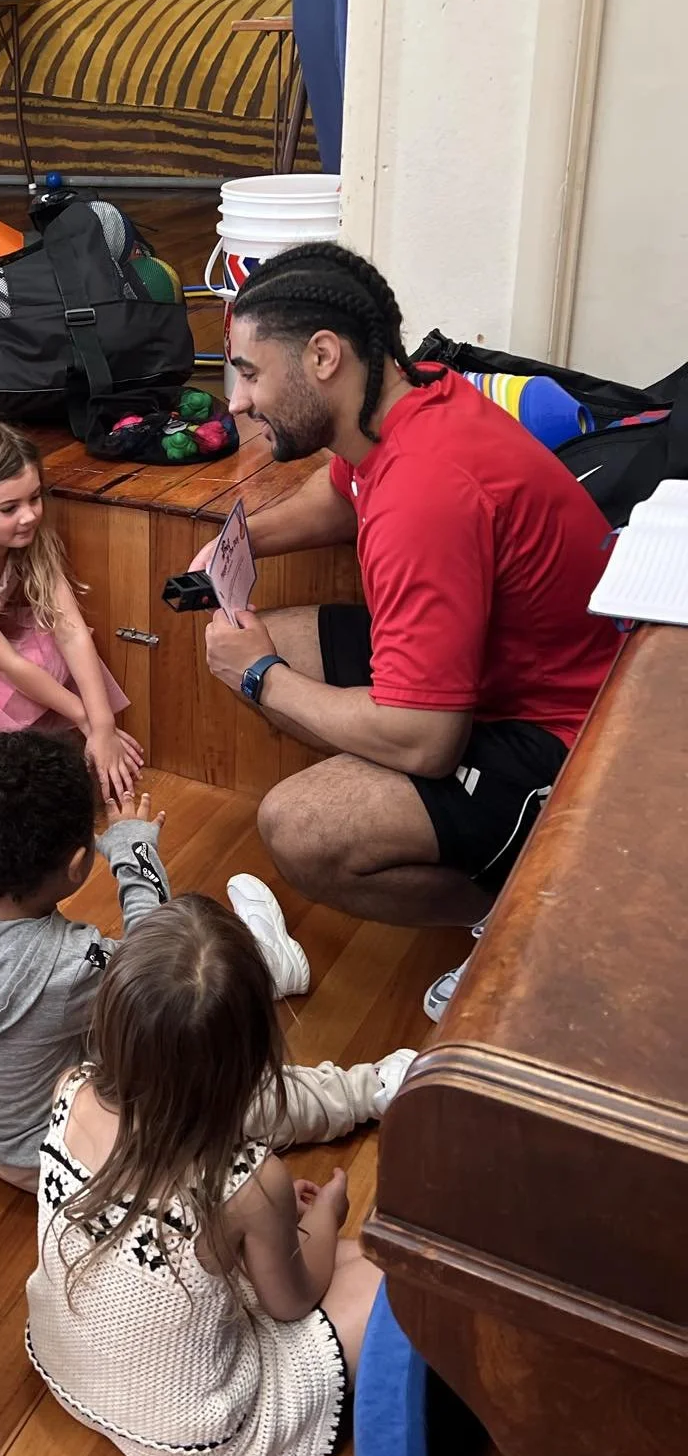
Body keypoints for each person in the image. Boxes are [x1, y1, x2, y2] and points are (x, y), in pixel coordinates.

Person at [200, 243, 621, 1017]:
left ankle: (523, 917)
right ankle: (432, 819)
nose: (236, 400)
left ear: (323, 356)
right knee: (272, 638)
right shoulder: (410, 393)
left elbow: (429, 739)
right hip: (499, 665)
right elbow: (339, 496)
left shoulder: (424, 494)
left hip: (568, 733)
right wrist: (241, 542)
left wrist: (262, 676)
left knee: (296, 826)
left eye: (251, 373)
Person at [0, 732, 411, 1189]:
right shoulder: (68, 966)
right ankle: (370, 1091)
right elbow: (160, 965)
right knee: (219, 1081)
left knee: (173, 988)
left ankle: (258, 966)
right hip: (66, 1154)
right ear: (78, 865)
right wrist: (132, 848)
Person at [26, 903, 380, 1456]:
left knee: (306, 1254)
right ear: (246, 1062)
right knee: (376, 1273)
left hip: (62, 1365)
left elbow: (139, 1210)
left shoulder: (72, 1089)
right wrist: (329, 1214)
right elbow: (291, 1303)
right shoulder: (246, 1182)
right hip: (186, 1431)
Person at [0, 419, 141, 801]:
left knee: (50, 637)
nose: (30, 516)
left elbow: (72, 630)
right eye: (9, 508)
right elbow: (6, 663)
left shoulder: (32, 543)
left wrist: (104, 724)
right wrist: (87, 719)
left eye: (34, 499)